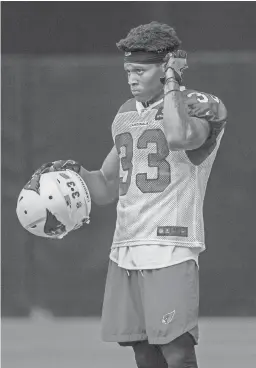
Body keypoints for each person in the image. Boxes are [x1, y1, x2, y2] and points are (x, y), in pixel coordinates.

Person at [35, 21, 227, 368]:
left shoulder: (199, 106)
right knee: (143, 350)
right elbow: (107, 185)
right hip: (126, 247)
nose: (132, 79)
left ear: (168, 66)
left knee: (178, 350)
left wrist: (172, 82)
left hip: (171, 244)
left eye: (140, 70)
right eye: (128, 71)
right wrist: (70, 176)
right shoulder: (126, 114)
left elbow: (179, 136)